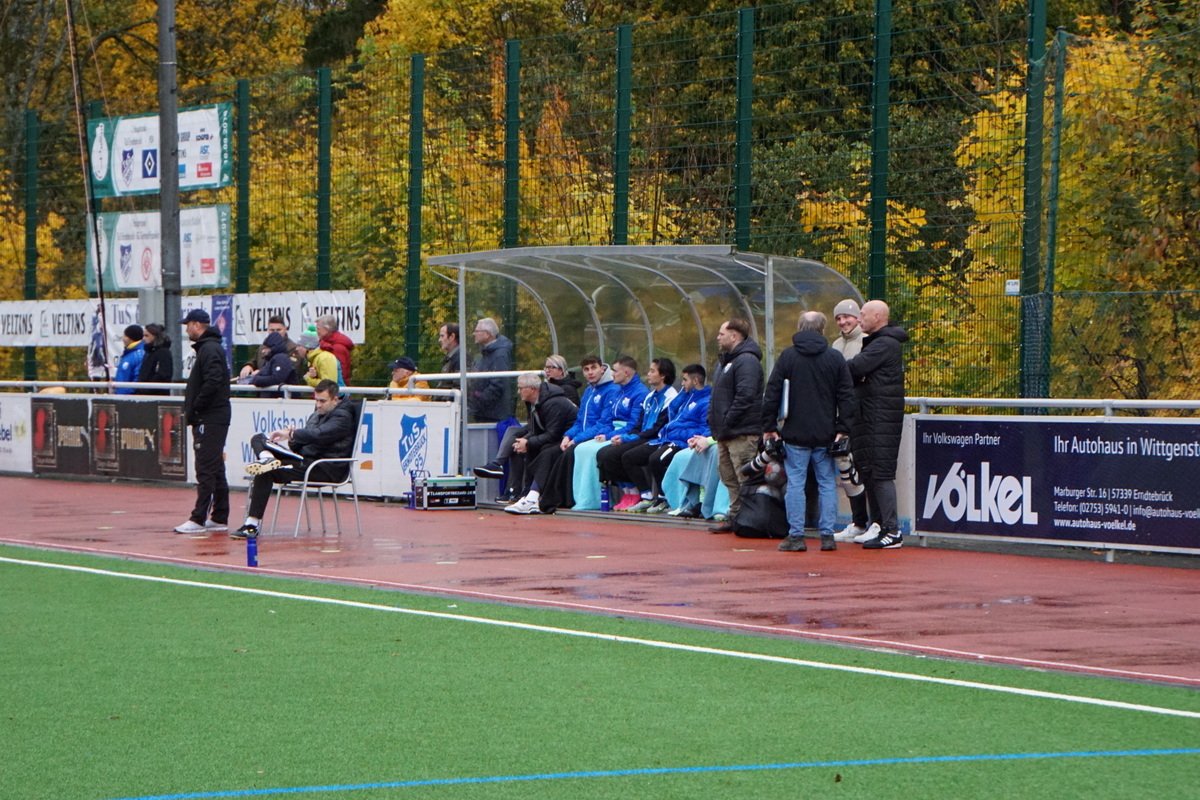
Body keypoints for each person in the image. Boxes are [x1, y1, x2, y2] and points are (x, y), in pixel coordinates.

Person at [763, 311, 856, 552]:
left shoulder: (788, 357)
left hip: (795, 431)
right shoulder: (834, 358)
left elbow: (772, 392)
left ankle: (796, 536)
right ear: (823, 329)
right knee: (827, 483)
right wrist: (843, 428)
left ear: (799, 327)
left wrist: (770, 426)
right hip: (826, 432)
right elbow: (847, 395)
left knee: (796, 483)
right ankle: (827, 535)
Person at [233, 380, 357, 539]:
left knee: (266, 471)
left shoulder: (343, 417)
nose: (318, 405)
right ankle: (267, 458)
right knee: (258, 438)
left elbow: (319, 435)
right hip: (305, 460)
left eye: (322, 401)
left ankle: (251, 524)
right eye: (316, 400)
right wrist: (292, 439)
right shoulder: (317, 414)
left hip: (324, 468)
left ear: (335, 399)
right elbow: (300, 445)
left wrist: (292, 434)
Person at [505, 355, 617, 515]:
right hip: (579, 436)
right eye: (586, 369)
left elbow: (603, 423)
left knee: (550, 452)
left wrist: (576, 439)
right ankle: (529, 495)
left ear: (602, 368)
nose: (590, 372)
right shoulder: (589, 391)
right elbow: (579, 421)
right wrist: (568, 436)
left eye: (594, 368)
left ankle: (536, 497)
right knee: (542, 449)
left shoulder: (611, 390)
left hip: (596, 437)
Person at [847, 299, 908, 550]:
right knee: (870, 471)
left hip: (880, 418)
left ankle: (892, 530)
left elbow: (855, 367)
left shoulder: (884, 344)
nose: (858, 319)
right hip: (871, 417)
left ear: (878, 317)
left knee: (881, 473)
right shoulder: (878, 343)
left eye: (863, 314)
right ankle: (879, 524)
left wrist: (832, 367)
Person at [174, 309, 231, 534]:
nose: (187, 329)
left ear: (197, 325)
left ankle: (198, 518)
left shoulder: (209, 349)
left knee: (206, 468)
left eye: (188, 324)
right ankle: (219, 516)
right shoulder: (210, 348)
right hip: (212, 416)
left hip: (210, 417)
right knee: (215, 467)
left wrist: (197, 405)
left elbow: (213, 381)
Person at [567, 355, 649, 510]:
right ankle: (590, 497)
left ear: (626, 373)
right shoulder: (619, 392)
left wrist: (608, 436)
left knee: (603, 454)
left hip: (628, 433)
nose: (612, 374)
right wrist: (604, 433)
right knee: (582, 449)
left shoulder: (639, 392)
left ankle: (631, 492)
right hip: (613, 432)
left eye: (615, 371)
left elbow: (634, 424)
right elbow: (608, 420)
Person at [478, 373, 577, 500]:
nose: (518, 392)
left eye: (521, 388)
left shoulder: (553, 403)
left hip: (565, 438)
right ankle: (511, 484)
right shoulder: (532, 401)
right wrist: (524, 441)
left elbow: (553, 434)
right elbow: (534, 427)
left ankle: (527, 491)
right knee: (515, 437)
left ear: (532, 389)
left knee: (530, 447)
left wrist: (528, 443)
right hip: (550, 435)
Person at [598, 358, 679, 511]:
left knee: (628, 457)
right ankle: (632, 492)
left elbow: (657, 429)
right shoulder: (650, 396)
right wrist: (625, 437)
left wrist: (630, 438)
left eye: (652, 371)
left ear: (663, 375)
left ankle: (647, 495)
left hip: (658, 439)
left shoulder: (671, 397)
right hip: (644, 437)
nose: (648, 374)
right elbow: (639, 424)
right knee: (605, 454)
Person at [706, 318, 764, 533]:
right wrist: (713, 420)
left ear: (734, 335)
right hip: (726, 432)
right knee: (729, 477)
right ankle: (736, 517)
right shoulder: (726, 362)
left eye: (721, 334)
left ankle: (750, 519)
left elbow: (745, 395)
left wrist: (727, 420)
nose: (718, 337)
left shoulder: (747, 361)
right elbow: (718, 396)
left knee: (744, 477)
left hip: (741, 432)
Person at [828, 299, 876, 543]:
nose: (842, 321)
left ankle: (873, 522)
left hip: (862, 415)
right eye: (838, 318)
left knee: (865, 468)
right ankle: (858, 521)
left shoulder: (867, 342)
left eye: (846, 316)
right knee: (845, 467)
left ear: (857, 318)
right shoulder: (836, 345)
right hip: (840, 415)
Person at [468, 317, 515, 423]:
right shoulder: (487, 352)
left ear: (487, 334)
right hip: (485, 412)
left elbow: (498, 384)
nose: (474, 334)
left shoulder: (499, 355)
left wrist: (479, 398)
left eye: (477, 331)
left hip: (493, 415)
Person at [238, 315, 305, 381]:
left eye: (279, 330)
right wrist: (249, 365)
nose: (275, 333)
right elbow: (255, 360)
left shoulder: (293, 348)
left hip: (283, 386)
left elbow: (291, 369)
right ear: (268, 330)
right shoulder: (263, 347)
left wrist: (261, 372)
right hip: (262, 385)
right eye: (272, 330)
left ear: (285, 329)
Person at [246, 331, 301, 396]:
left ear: (273, 347)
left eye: (266, 348)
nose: (263, 351)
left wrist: (256, 379)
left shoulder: (281, 359)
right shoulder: (272, 360)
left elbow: (276, 378)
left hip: (280, 399)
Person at [316, 314, 355, 384]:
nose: (317, 331)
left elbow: (342, 374)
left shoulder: (338, 348)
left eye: (318, 328)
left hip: (335, 388)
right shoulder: (328, 344)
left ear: (326, 329)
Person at [137, 323, 174, 394]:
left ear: (155, 336)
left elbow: (163, 375)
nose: (143, 339)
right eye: (143, 336)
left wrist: (146, 390)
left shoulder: (163, 353)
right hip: (146, 393)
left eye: (147, 336)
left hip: (156, 394)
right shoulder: (149, 352)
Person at [113, 325, 146, 394]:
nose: (123, 339)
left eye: (125, 336)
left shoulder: (139, 355)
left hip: (129, 396)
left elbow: (137, 377)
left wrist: (127, 392)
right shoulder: (129, 353)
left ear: (130, 338)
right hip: (122, 394)